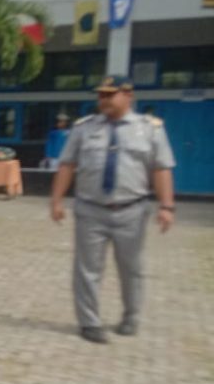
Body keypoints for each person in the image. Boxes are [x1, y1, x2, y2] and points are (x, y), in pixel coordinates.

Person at [50, 76, 176, 344]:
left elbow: (161, 168)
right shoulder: (83, 128)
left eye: (110, 94)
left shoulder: (150, 129)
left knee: (131, 268)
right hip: (90, 209)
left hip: (132, 211)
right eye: (101, 95)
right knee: (87, 269)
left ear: (128, 95)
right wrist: (56, 200)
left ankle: (131, 317)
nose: (103, 100)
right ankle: (89, 322)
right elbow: (67, 164)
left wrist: (167, 206)